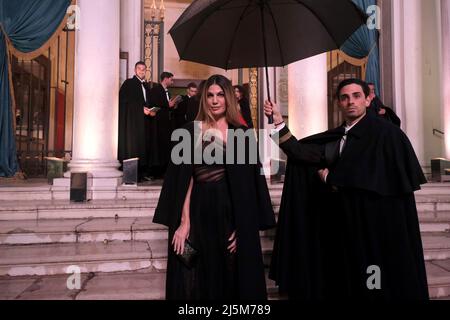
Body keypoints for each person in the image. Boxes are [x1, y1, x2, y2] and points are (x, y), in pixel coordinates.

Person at [264, 78, 429, 300]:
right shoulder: (340, 135)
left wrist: (333, 178)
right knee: (349, 278)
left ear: (368, 98)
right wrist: (277, 122)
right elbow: (301, 153)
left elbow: (377, 175)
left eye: (356, 96)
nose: (350, 102)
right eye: (344, 97)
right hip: (344, 223)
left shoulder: (387, 134)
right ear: (339, 103)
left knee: (374, 278)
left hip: (375, 226)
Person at [153, 74, 276, 300]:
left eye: (220, 95)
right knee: (196, 278)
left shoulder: (243, 134)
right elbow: (185, 181)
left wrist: (244, 228)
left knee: (231, 278)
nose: (215, 100)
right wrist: (184, 221)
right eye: (210, 95)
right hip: (199, 213)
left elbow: (250, 188)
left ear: (228, 98)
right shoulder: (190, 131)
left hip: (231, 215)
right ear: (204, 99)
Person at [118, 61, 150, 180]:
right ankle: (132, 175)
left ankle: (141, 174)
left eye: (143, 69)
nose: (141, 71)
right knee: (133, 147)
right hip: (132, 123)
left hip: (143, 122)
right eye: (139, 69)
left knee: (142, 146)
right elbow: (123, 101)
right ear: (134, 70)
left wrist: (149, 109)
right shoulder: (129, 83)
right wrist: (140, 109)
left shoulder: (146, 86)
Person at [147, 72, 176, 178]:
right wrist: (167, 104)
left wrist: (172, 105)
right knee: (158, 146)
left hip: (166, 123)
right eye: (171, 79)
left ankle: (164, 169)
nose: (172, 82)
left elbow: (166, 105)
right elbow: (154, 103)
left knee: (166, 146)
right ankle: (157, 171)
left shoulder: (167, 91)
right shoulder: (155, 90)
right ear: (165, 79)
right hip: (158, 123)